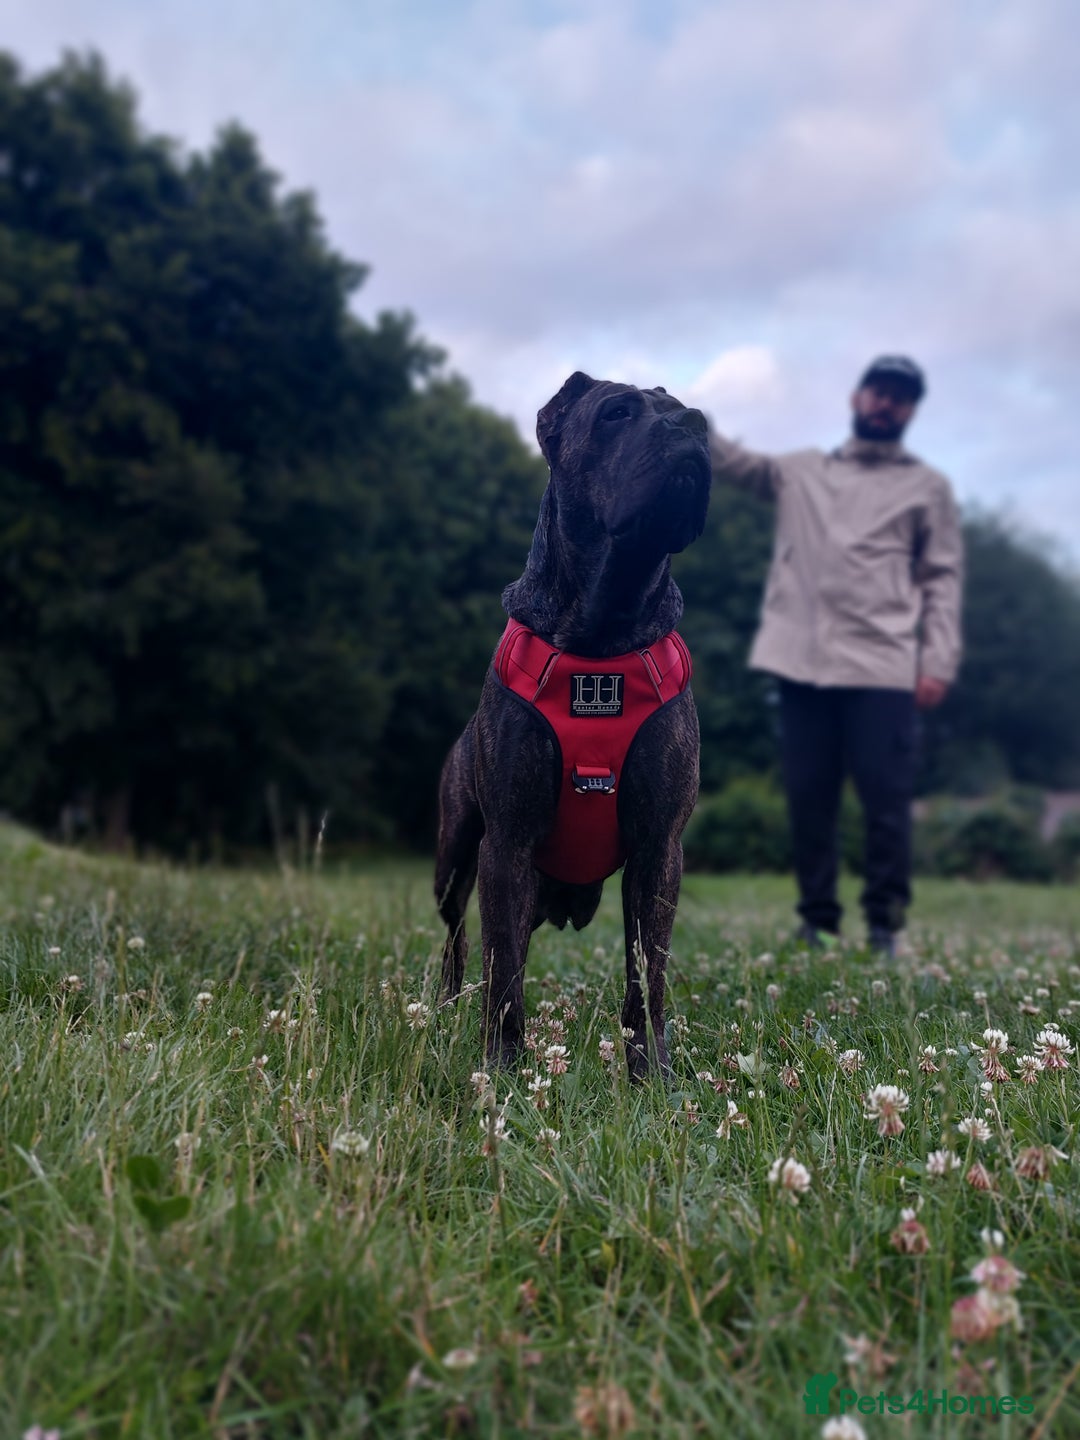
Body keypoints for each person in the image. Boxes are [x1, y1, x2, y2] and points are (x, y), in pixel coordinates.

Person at [708, 355, 963, 954]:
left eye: (900, 396)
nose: (886, 403)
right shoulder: (801, 470)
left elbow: (942, 578)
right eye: (879, 390)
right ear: (857, 397)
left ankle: (885, 925)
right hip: (802, 661)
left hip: (883, 664)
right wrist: (683, 415)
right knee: (809, 800)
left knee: (886, 803)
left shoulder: (927, 487)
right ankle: (817, 921)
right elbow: (735, 463)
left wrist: (938, 660)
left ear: (911, 410)